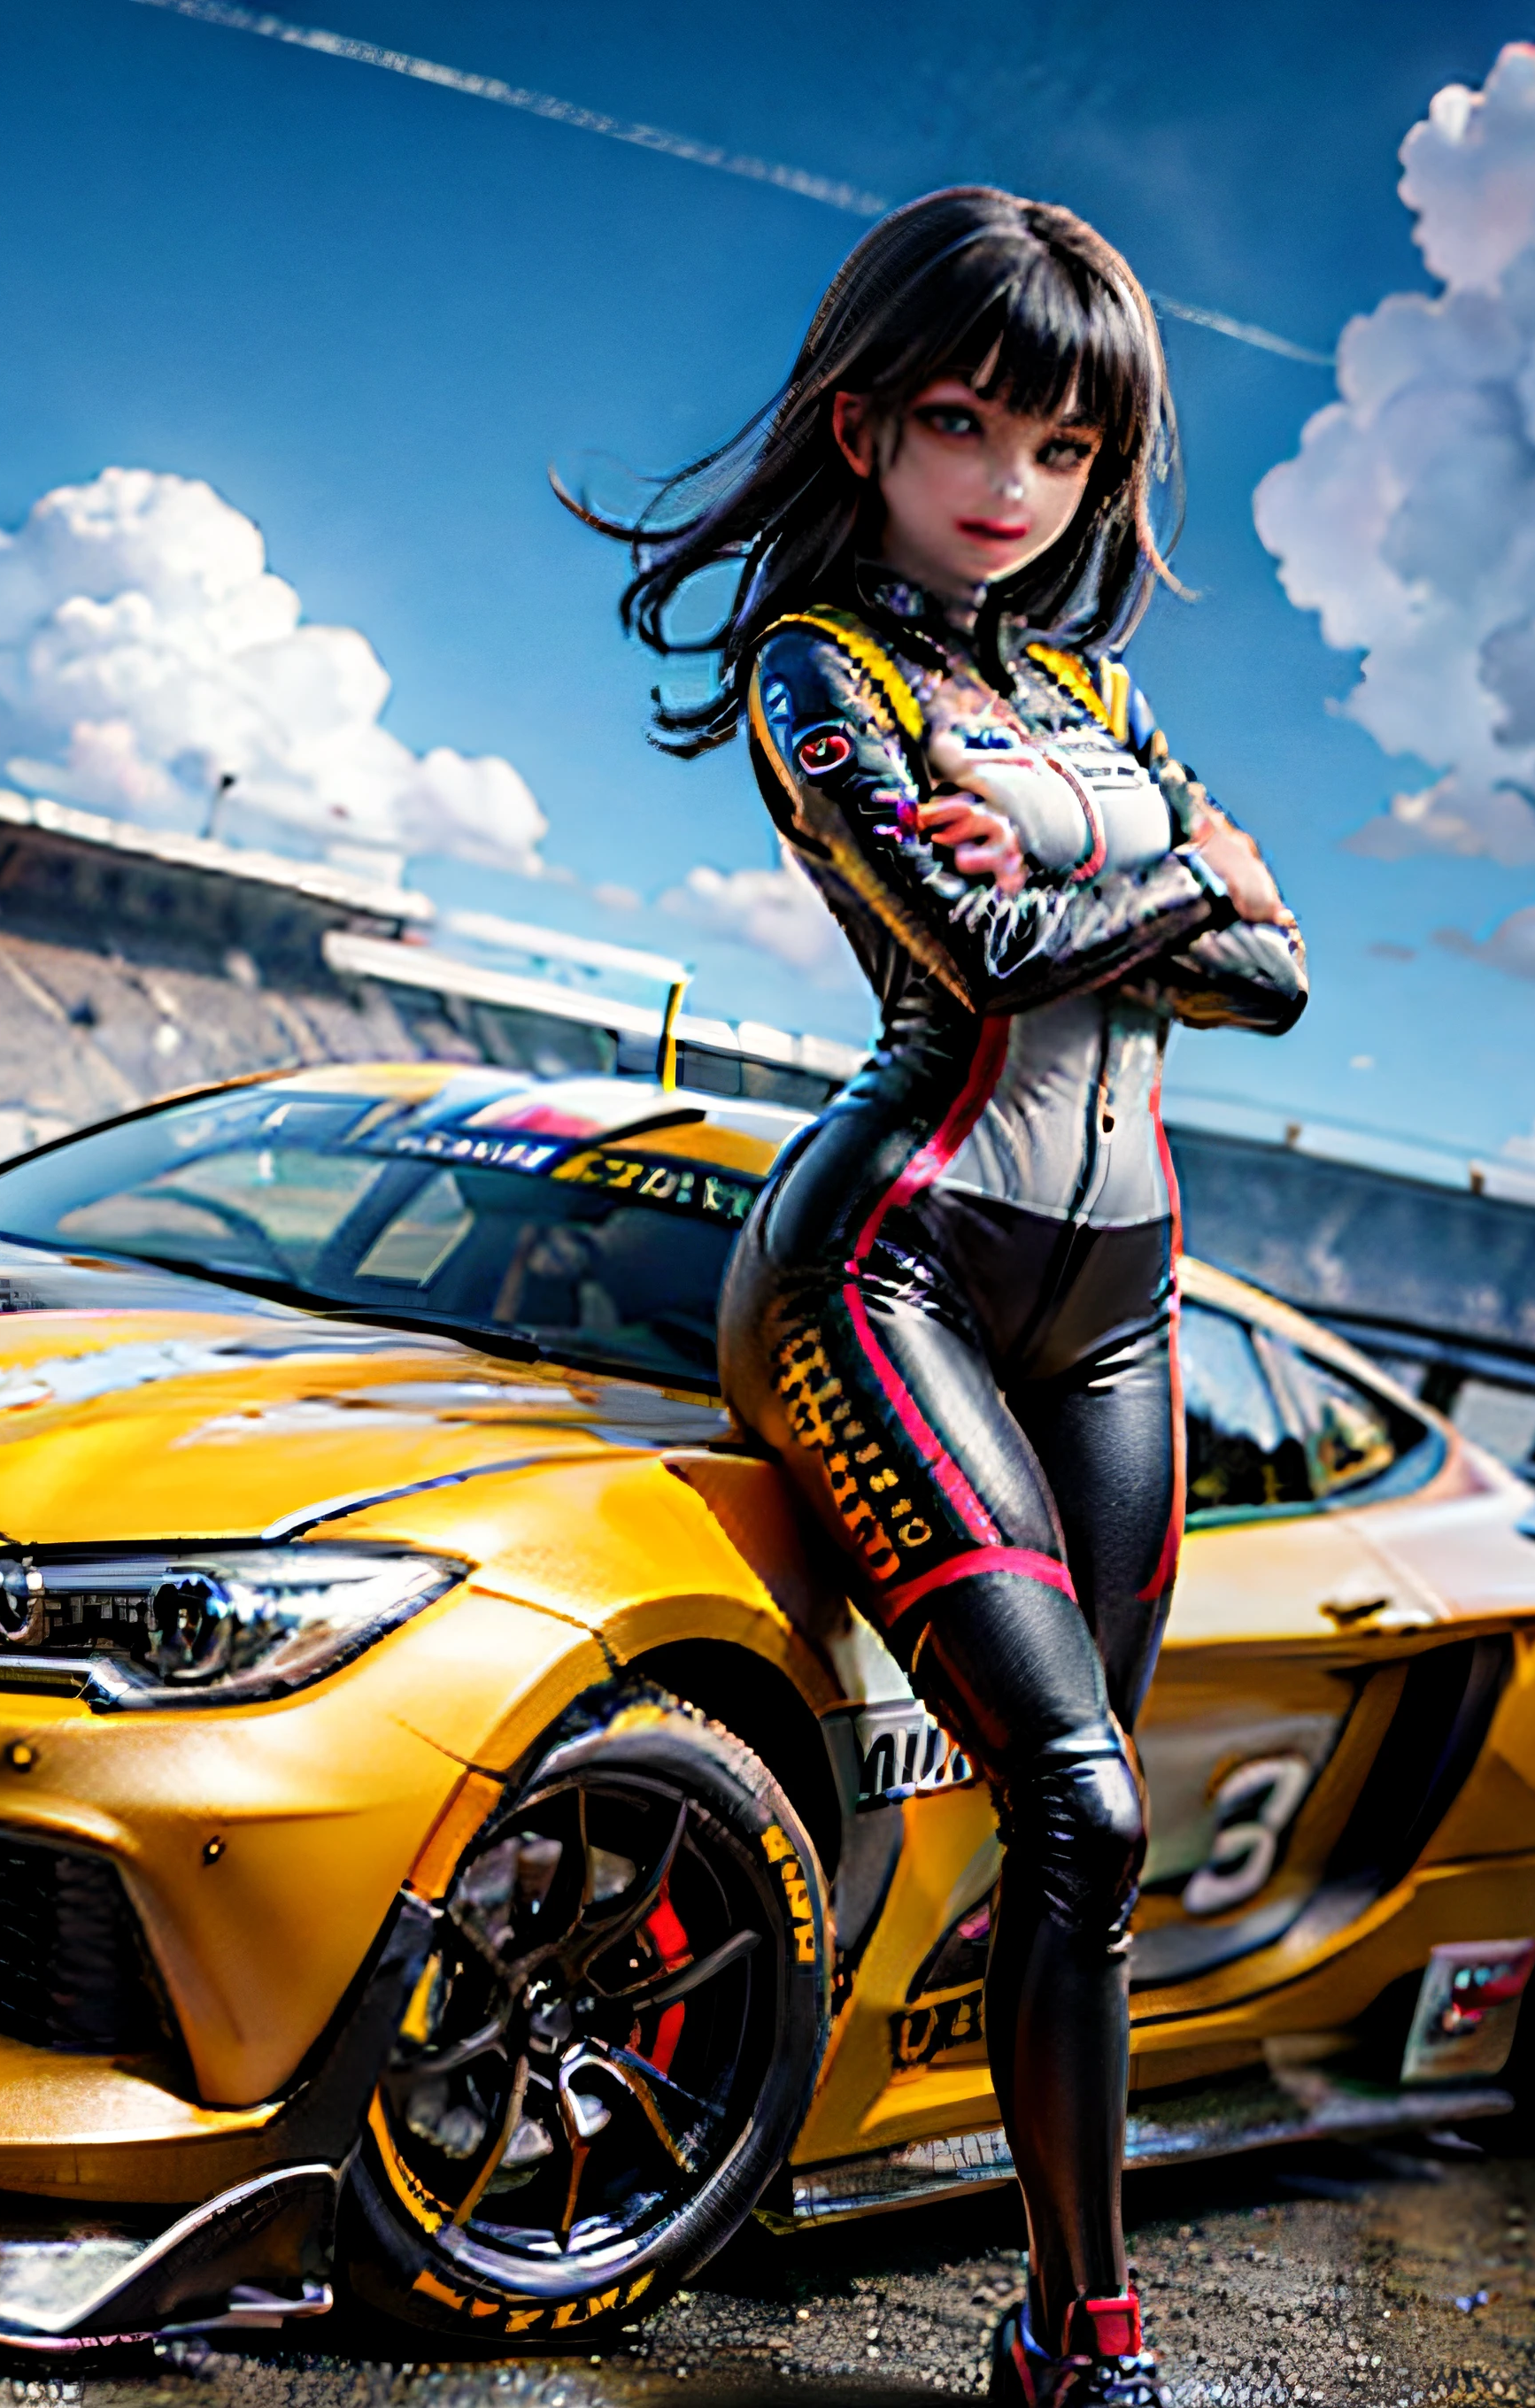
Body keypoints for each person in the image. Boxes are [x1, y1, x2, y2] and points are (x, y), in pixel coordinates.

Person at [574, 188, 1305, 2406]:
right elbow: (997, 959)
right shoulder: (825, 661)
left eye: (1063, 452)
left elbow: (1275, 981)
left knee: (1075, 1825)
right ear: (864, 421)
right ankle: (1084, 2348)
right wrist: (1182, 863)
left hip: (1117, 1297)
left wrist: (1109, 865)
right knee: (1075, 1806)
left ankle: (929, 2203)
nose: (1008, 487)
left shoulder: (1089, 691)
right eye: (967, 425)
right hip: (887, 1264)